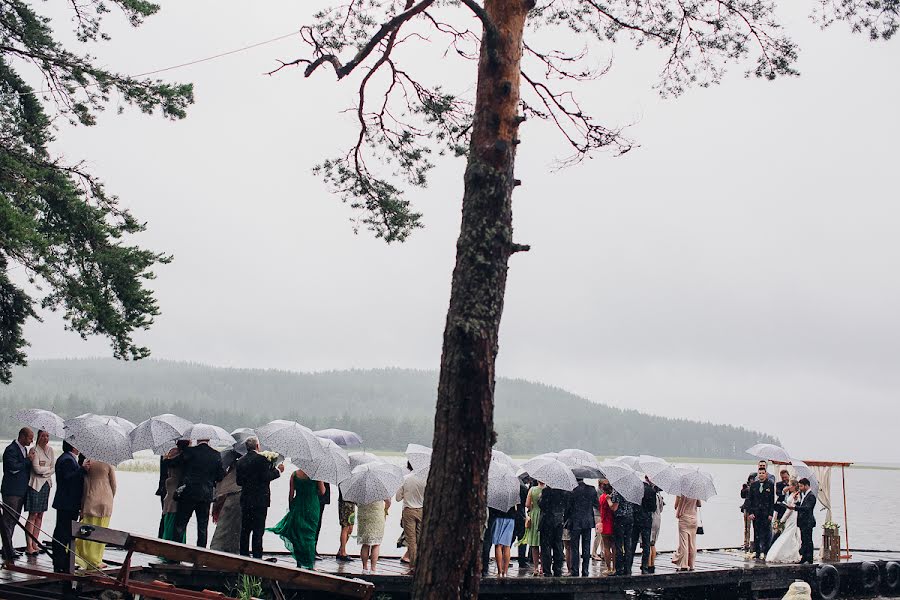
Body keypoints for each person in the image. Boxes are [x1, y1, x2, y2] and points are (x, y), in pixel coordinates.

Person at [168, 437, 226, 548]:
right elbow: (219, 477)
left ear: (197, 439)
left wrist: (169, 457)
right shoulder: (216, 455)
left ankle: (175, 555)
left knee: (180, 525)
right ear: (209, 440)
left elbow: (174, 463)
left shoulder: (189, 451)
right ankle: (200, 556)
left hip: (188, 493)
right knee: (202, 527)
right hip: (206, 495)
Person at [235, 437, 284, 558]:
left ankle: (244, 555)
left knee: (245, 530)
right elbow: (266, 477)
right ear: (257, 446)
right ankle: (257, 557)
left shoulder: (240, 461)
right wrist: (278, 471)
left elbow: (239, 482)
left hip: (246, 500)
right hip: (260, 501)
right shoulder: (262, 459)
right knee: (258, 530)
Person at [268, 465, 323, 569]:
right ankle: (309, 563)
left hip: (298, 504)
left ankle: (299, 562)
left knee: (298, 533)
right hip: (312, 506)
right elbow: (322, 491)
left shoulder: (294, 474)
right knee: (310, 534)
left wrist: (291, 507)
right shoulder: (317, 475)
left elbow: (291, 493)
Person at [51, 441, 86, 573]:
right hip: (66, 503)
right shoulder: (67, 460)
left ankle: (63, 560)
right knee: (62, 533)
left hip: (67, 502)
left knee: (64, 532)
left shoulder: (69, 459)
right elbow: (68, 478)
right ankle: (60, 561)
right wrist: (82, 469)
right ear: (73, 446)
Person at [75, 459, 116, 569]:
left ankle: (86, 557)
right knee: (102, 531)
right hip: (106, 500)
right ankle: (97, 560)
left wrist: (82, 504)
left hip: (91, 499)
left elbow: (85, 483)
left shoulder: (88, 462)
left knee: (87, 530)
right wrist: (111, 497)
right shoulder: (109, 462)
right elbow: (114, 484)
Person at [2, 427, 34, 566]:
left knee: (14, 520)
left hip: (20, 491)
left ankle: (7, 548)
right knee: (8, 520)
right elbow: (13, 467)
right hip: (11, 491)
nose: (32, 440)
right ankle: (7, 550)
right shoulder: (11, 449)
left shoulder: (24, 450)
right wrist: (27, 461)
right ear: (22, 436)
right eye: (30, 438)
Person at [24, 430, 54, 556]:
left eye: (47, 436)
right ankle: (29, 545)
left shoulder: (51, 450)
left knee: (40, 515)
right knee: (33, 514)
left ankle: (35, 543)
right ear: (38, 437)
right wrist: (47, 470)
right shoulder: (34, 450)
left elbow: (54, 467)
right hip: (35, 485)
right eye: (43, 436)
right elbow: (36, 469)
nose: (45, 438)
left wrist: (45, 471)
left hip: (46, 485)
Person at [210, 450, 243, 554]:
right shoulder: (241, 463)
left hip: (225, 494)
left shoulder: (228, 459)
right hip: (233, 494)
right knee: (232, 524)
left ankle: (220, 547)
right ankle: (222, 548)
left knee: (226, 523)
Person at [565, 477, 598, 577]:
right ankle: (585, 570)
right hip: (587, 521)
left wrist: (565, 520)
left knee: (574, 547)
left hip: (575, 522)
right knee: (586, 546)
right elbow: (596, 504)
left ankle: (575, 570)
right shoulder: (592, 489)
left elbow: (568, 508)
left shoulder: (572, 490)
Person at [395, 462, 426, 570]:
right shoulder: (425, 479)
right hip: (422, 511)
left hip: (408, 511)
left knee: (411, 541)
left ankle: (413, 567)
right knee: (419, 539)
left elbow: (398, 498)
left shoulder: (406, 478)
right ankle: (420, 564)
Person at [160, 440, 190, 544]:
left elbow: (167, 464)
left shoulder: (173, 458)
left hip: (171, 496)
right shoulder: (187, 458)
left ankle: (167, 547)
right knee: (178, 525)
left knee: (169, 523)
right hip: (177, 496)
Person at [767, 479, 801, 563]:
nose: (788, 487)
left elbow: (791, 509)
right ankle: (789, 552)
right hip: (790, 515)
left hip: (792, 516)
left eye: (790, 485)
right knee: (788, 534)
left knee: (789, 534)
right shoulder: (792, 494)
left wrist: (782, 520)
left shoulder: (796, 495)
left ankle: (788, 553)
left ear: (794, 486)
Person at [539, 486, 569, 577]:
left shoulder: (546, 491)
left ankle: (547, 570)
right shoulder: (563, 492)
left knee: (546, 546)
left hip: (547, 521)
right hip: (559, 521)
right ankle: (557, 569)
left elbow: (542, 506)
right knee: (558, 545)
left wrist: (539, 499)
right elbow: (566, 506)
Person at [356, 494, 391, 573]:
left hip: (363, 516)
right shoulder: (380, 488)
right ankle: (373, 569)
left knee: (365, 543)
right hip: (377, 515)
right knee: (376, 543)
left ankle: (364, 568)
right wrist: (386, 509)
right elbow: (388, 502)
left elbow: (356, 503)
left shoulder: (361, 488)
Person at [747, 466, 775, 560]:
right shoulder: (754, 485)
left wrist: (771, 513)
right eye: (760, 473)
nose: (761, 475)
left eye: (763, 473)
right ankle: (757, 552)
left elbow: (772, 500)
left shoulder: (770, 485)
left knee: (766, 532)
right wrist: (750, 512)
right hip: (756, 513)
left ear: (766, 474)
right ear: (758, 475)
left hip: (766, 513)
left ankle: (766, 551)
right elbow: (749, 500)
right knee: (756, 532)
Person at [786, 478, 817, 564]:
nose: (800, 488)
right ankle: (804, 557)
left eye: (801, 486)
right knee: (804, 540)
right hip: (803, 521)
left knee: (808, 540)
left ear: (806, 486)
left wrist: (795, 508)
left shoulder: (811, 496)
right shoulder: (805, 495)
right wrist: (796, 502)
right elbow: (803, 505)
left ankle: (809, 559)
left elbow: (807, 508)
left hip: (808, 521)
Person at [631, 478, 658, 574]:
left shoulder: (635, 488)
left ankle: (629, 565)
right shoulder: (651, 491)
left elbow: (632, 503)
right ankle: (644, 566)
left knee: (632, 543)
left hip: (635, 518)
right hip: (646, 519)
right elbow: (653, 508)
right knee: (646, 544)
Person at [608, 485, 633, 576]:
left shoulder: (617, 491)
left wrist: (608, 500)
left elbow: (614, 507)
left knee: (618, 544)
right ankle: (628, 568)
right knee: (627, 544)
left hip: (620, 519)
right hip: (630, 518)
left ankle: (619, 569)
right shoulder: (630, 490)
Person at [672, 494, 700, 571]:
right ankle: (691, 565)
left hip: (684, 518)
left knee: (684, 543)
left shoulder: (681, 493)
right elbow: (699, 504)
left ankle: (684, 564)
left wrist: (679, 499)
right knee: (692, 543)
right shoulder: (696, 492)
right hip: (694, 519)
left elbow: (676, 506)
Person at [490, 504, 517, 577]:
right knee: (507, 545)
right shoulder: (512, 494)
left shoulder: (497, 494)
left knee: (498, 545)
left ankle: (499, 572)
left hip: (499, 517)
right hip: (511, 518)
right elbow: (516, 508)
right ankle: (505, 572)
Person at [523, 480, 544, 576]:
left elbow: (527, 504)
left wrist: (532, 506)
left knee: (534, 544)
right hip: (543, 516)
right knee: (544, 544)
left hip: (534, 515)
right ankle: (543, 567)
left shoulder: (532, 489)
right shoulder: (547, 490)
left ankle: (535, 568)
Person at [596, 481, 615, 575]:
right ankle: (615, 568)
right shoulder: (612, 498)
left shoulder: (602, 497)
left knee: (606, 547)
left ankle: (608, 568)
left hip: (604, 523)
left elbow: (600, 509)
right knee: (614, 547)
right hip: (613, 523)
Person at [647, 485, 665, 573]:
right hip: (658, 519)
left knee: (647, 543)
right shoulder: (659, 496)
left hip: (651, 519)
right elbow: (661, 509)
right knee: (653, 543)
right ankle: (652, 565)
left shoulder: (650, 494)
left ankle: (648, 564)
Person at [336, 490, 356, 562]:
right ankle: (343, 552)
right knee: (345, 527)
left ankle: (341, 549)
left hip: (352, 503)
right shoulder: (344, 480)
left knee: (350, 528)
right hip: (345, 503)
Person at [515, 478, 530, 569]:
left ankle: (505, 559)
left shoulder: (511, 487)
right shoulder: (524, 488)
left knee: (508, 541)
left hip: (512, 516)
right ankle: (522, 561)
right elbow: (526, 503)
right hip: (521, 517)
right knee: (522, 540)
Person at [740, 473, 755, 552]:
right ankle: (746, 543)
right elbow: (742, 496)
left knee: (754, 527)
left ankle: (752, 543)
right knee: (746, 527)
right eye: (751, 479)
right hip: (747, 508)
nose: (752, 480)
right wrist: (744, 489)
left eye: (753, 479)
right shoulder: (747, 487)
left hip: (754, 509)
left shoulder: (756, 486)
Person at [315, 481, 331, 553]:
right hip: (319, 497)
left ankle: (312, 547)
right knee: (317, 523)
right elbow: (323, 491)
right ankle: (313, 548)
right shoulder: (322, 474)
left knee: (316, 523)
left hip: (319, 497)